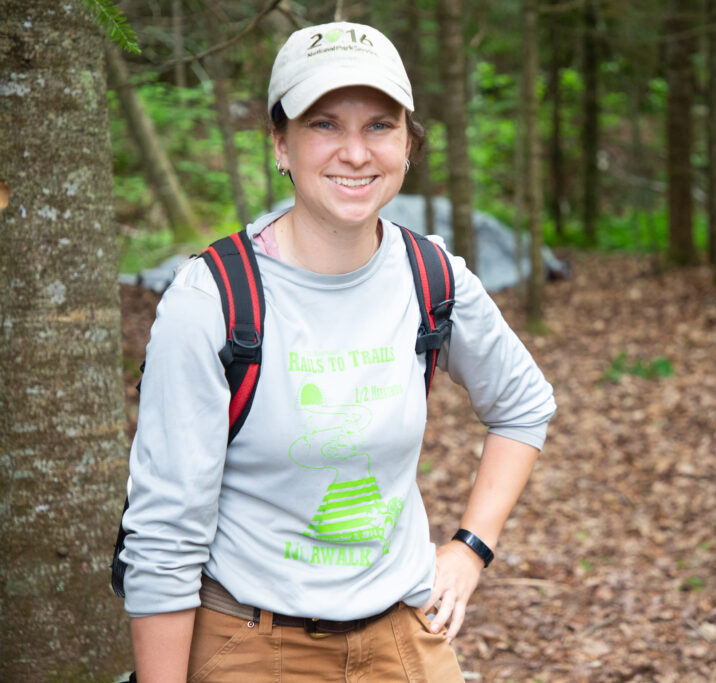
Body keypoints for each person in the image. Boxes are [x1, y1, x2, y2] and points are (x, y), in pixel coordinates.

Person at [120, 21, 556, 682]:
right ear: (280, 144)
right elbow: (163, 536)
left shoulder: (432, 277)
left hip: (405, 638)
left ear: (407, 143)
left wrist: (470, 548)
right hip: (251, 644)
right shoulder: (211, 298)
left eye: (379, 125)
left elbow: (523, 405)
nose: (355, 152)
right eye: (324, 124)